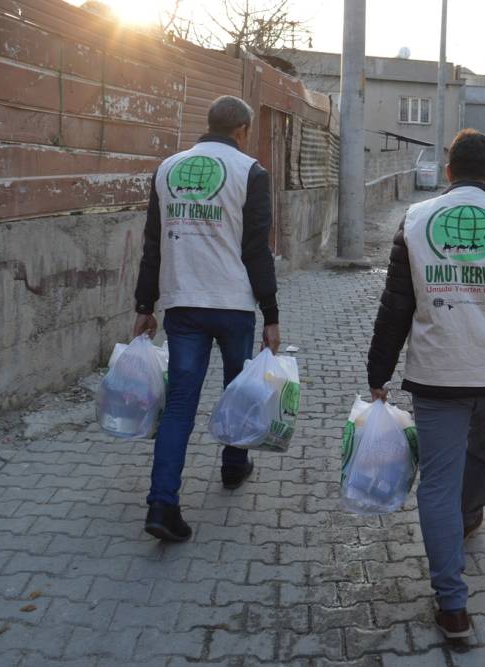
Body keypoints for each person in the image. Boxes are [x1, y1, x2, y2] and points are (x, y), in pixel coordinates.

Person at [366, 129, 485, 639]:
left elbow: (395, 307)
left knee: (437, 480)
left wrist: (378, 373)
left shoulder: (415, 220)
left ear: (448, 172)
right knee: (479, 454)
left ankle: (452, 603)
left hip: (437, 377)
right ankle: (469, 516)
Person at [133, 95, 281, 542]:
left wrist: (144, 305)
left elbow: (153, 243)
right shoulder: (250, 172)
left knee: (180, 404)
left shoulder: (168, 169)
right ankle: (234, 467)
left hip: (183, 304)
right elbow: (257, 248)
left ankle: (162, 504)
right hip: (234, 305)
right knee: (238, 391)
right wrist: (271, 313)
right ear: (243, 130)